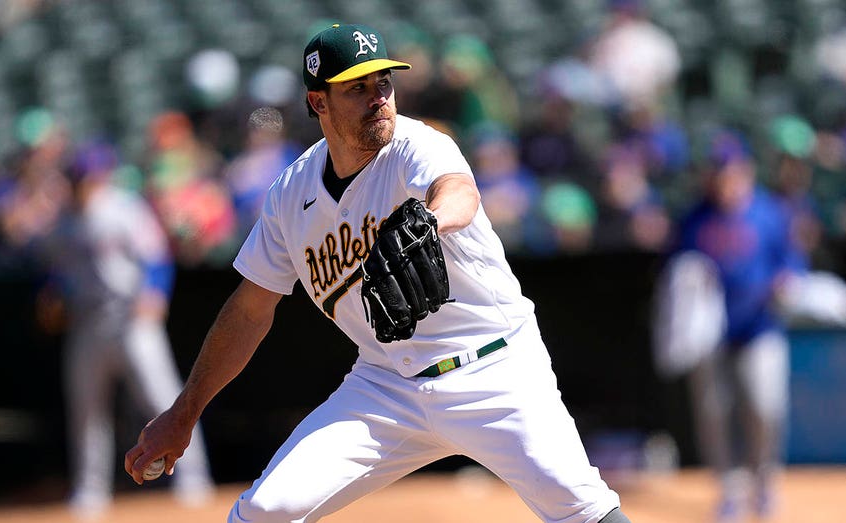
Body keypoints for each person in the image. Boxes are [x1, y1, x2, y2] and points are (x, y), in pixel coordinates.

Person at [125, 23, 632, 523]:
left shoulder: (418, 145)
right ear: (318, 102)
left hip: (493, 368)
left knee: (584, 508)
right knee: (264, 511)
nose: (379, 97)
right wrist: (183, 413)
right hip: (386, 385)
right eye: (357, 87)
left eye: (384, 82)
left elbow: (459, 191)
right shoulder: (290, 194)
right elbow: (249, 309)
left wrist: (430, 220)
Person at [36, 141, 215, 518]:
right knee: (87, 410)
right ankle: (90, 490)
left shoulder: (122, 207)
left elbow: (155, 255)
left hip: (131, 317)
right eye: (80, 177)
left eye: (89, 175)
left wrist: (154, 292)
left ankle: (194, 478)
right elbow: (58, 273)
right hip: (87, 322)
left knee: (164, 398)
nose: (86, 182)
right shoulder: (65, 221)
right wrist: (53, 296)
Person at [673, 131, 806, 522]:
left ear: (745, 171)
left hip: (760, 325)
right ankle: (729, 488)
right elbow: (677, 269)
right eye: (716, 171)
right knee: (713, 412)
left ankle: (764, 480)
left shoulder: (770, 212)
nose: (723, 179)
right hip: (709, 334)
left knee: (765, 407)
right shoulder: (695, 218)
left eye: (729, 170)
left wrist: (785, 282)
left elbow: (792, 262)